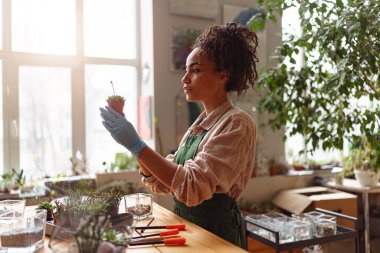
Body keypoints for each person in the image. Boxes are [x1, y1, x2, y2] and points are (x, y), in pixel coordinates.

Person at [100, 22, 258, 248]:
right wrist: (133, 147)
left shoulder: (237, 123)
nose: (184, 79)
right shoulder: (200, 123)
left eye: (195, 70)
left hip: (216, 235)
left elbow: (191, 186)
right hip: (187, 227)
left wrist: (137, 146)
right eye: (186, 70)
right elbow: (164, 182)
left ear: (223, 74)